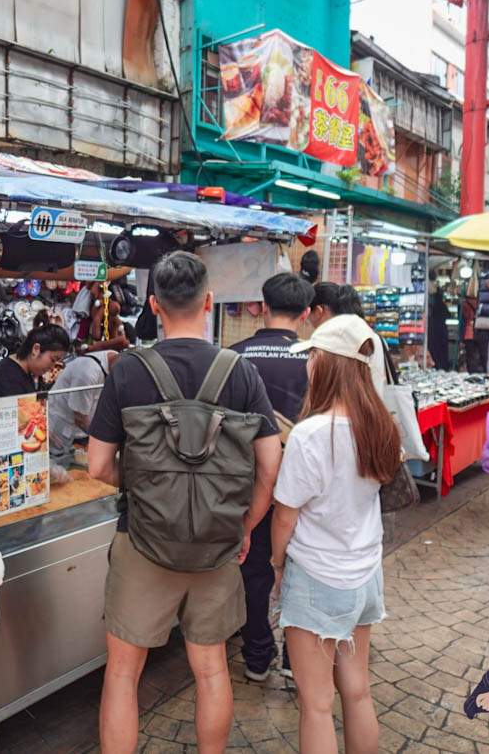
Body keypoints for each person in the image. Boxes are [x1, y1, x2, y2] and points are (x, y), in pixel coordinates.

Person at [87, 251, 281, 754]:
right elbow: (271, 465)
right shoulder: (239, 372)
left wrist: (138, 486)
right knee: (212, 668)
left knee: (123, 675)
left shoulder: (127, 371)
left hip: (143, 542)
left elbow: (97, 466)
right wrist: (245, 525)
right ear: (208, 302)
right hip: (217, 545)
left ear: (153, 304)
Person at [270, 314, 400, 754]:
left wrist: (275, 565)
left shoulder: (310, 435)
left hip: (317, 578)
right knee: (358, 691)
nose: (308, 364)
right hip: (364, 575)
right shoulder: (380, 426)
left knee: (317, 704)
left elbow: (284, 517)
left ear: (328, 364)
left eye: (313, 356)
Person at [228, 272, 313, 682]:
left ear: (262, 307)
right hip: (306, 487)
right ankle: (298, 662)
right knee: (301, 569)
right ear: (308, 313)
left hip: (250, 484)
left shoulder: (232, 357)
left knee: (252, 568)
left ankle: (258, 655)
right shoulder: (319, 357)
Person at [46, 349, 118, 484]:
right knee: (59, 474)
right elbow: (80, 418)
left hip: (74, 428)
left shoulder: (113, 356)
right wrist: (103, 441)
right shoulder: (87, 373)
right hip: (59, 426)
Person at [309, 281, 389, 396]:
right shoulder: (372, 336)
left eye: (309, 314)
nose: (310, 321)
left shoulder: (335, 342)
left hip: (346, 412)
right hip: (371, 410)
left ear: (319, 311)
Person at [0, 314, 71, 399]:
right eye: (53, 359)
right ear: (36, 349)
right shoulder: (8, 379)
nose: (52, 366)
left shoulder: (22, 372)